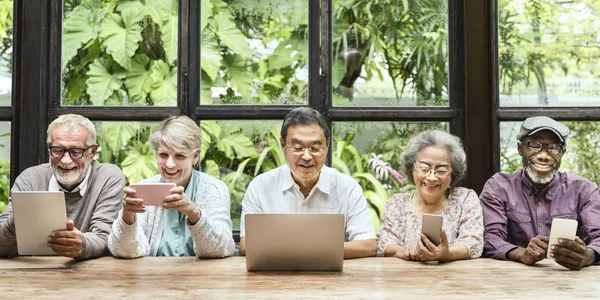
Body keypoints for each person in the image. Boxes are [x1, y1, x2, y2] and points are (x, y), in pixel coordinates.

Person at [239, 107, 377, 259]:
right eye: (298, 148)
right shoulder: (260, 187)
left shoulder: (348, 188)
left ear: (327, 146)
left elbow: (368, 246)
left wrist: (304, 250)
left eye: (315, 148)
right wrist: (315, 249)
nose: (306, 156)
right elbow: (247, 245)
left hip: (332, 278)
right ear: (283, 146)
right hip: (276, 277)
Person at [480, 116, 600, 270]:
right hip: (511, 280)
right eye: (535, 145)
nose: (544, 155)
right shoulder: (499, 187)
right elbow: (489, 238)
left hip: (570, 279)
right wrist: (521, 254)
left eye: (554, 147)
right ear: (520, 148)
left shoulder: (583, 190)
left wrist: (589, 255)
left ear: (562, 153)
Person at [0, 114, 125, 259]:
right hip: (34, 272)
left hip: (90, 274)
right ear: (48, 148)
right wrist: (19, 219)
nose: (66, 160)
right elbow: (2, 245)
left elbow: (105, 238)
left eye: (76, 151)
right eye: (58, 150)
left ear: (92, 152)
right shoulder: (30, 178)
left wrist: (82, 245)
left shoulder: (108, 177)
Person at [108, 116, 234, 258]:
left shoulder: (214, 189)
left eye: (179, 156)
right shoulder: (144, 188)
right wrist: (127, 216)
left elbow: (223, 248)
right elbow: (123, 251)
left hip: (203, 276)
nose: (169, 164)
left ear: (196, 157)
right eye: (163, 155)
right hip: (153, 277)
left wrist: (194, 213)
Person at [377, 130, 484, 261]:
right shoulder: (397, 203)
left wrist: (448, 253)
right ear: (412, 169)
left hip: (453, 278)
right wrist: (404, 250)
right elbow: (384, 242)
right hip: (405, 278)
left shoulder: (465, 199)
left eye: (441, 170)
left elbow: (473, 241)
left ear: (452, 173)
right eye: (424, 167)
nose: (432, 177)